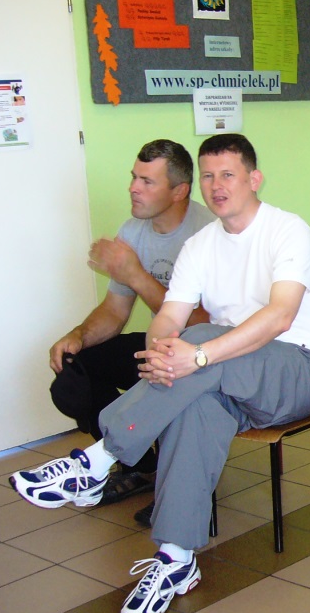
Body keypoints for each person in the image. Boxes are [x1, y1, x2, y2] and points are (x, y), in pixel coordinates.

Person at [12, 134, 310, 613]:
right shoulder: (200, 245)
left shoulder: (288, 230)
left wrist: (197, 356)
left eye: (228, 175)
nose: (216, 185)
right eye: (208, 176)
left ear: (254, 179)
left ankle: (98, 459)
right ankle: (176, 559)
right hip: (228, 378)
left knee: (200, 337)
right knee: (195, 408)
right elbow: (169, 315)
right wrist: (162, 350)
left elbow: (279, 317)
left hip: (296, 369)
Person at [48, 138, 213, 515]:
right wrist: (78, 336)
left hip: (205, 356)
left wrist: (136, 275)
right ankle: (140, 466)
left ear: (179, 191)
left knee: (169, 376)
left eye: (147, 181)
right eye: (134, 177)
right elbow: (114, 310)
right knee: (76, 371)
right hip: (162, 347)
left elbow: (206, 323)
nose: (133, 188)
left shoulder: (209, 232)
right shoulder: (133, 231)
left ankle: (180, 488)